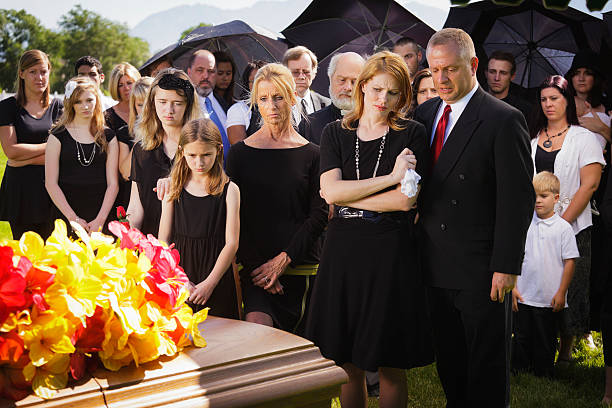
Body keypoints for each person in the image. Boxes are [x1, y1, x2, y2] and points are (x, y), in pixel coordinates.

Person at [413, 28, 535, 407]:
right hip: (433, 263)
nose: (442, 79)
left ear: (474, 65)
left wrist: (506, 266)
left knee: (486, 367)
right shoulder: (426, 112)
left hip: (482, 268)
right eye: (434, 71)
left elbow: (518, 199)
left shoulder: (503, 119)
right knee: (450, 362)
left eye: (450, 69)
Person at [306, 51, 433, 408]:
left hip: (390, 250)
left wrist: (348, 197)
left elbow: (405, 202)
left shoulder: (412, 133)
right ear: (362, 87)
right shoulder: (335, 132)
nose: (383, 100)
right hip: (343, 250)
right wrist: (391, 178)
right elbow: (330, 191)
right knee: (346, 361)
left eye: (393, 93)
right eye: (377, 89)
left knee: (390, 360)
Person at [225, 63, 327, 333]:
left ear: (293, 98)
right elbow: (234, 215)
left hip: (302, 266)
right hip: (255, 271)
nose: (271, 105)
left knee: (305, 356)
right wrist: (260, 266)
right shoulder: (239, 155)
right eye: (264, 98)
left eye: (279, 97)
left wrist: (283, 260)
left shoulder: (314, 154)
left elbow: (318, 215)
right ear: (255, 103)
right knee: (258, 336)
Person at [528, 74, 605, 364]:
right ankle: (538, 344)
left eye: (555, 98)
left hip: (573, 226)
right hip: (535, 224)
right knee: (540, 282)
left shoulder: (583, 137)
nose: (549, 104)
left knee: (571, 286)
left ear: (566, 101)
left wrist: (561, 223)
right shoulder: (533, 138)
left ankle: (567, 351)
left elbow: (590, 184)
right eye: (544, 99)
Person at [158, 118, 240, 319]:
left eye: (206, 155)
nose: (199, 162)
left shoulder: (230, 190)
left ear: (219, 150)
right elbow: (163, 240)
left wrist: (210, 283)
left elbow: (231, 243)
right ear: (181, 151)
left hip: (216, 275)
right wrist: (180, 279)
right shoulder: (173, 188)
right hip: (181, 276)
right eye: (192, 155)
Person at [511, 171, 579, 378]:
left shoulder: (563, 229)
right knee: (521, 335)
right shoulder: (525, 224)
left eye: (544, 196)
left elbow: (570, 262)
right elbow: (514, 256)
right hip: (524, 294)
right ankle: (519, 370)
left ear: (556, 198)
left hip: (548, 298)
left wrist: (561, 292)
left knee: (545, 336)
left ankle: (544, 372)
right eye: (535, 196)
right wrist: (513, 287)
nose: (538, 201)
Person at [566, 49, 612, 350]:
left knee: (595, 267)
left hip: (602, 192)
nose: (581, 77)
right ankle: (566, 337)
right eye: (577, 72)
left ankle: (588, 329)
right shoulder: (562, 105)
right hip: (568, 188)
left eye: (587, 72)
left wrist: (601, 128)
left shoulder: (606, 107)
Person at [127, 69, 202, 236]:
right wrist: (128, 235)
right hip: (150, 242)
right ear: (152, 103)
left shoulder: (200, 147)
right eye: (162, 102)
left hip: (190, 240)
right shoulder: (141, 149)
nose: (169, 110)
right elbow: (135, 207)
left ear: (188, 105)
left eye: (177, 103)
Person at [0, 49, 63, 240]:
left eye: (43, 72)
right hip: (20, 191)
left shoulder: (59, 107)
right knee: (25, 256)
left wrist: (23, 159)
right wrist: (51, 148)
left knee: (54, 255)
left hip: (52, 190)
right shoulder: (8, 107)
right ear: (21, 74)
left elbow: (65, 152)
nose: (39, 77)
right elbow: (11, 151)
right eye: (33, 72)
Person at [45, 77, 118, 234]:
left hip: (100, 214)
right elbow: (50, 183)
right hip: (66, 213)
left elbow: (113, 184)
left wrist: (100, 219)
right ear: (71, 103)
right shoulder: (57, 135)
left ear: (97, 100)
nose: (85, 106)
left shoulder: (109, 136)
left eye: (89, 100)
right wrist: (73, 218)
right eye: (78, 101)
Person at [298, 52, 365, 145]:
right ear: (330, 78)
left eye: (354, 82)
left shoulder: (376, 125)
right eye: (342, 80)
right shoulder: (309, 125)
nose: (348, 87)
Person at [115, 76, 154, 209]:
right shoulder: (125, 133)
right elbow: (125, 174)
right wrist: (140, 138)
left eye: (149, 103)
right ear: (134, 106)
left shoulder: (169, 132)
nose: (145, 110)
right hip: (134, 202)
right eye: (140, 105)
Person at [187, 50, 230, 163]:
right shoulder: (184, 107)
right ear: (189, 72)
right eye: (200, 70)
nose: (206, 76)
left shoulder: (225, 104)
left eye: (211, 71)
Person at [282, 46, 330, 124]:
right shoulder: (275, 106)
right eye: (295, 72)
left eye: (306, 72)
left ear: (314, 72)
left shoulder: (327, 104)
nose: (301, 77)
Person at [485, 50, 533, 123]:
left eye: (503, 73)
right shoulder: (473, 103)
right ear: (486, 74)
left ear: (512, 76)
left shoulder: (523, 110)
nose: (497, 78)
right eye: (492, 72)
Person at [226, 60, 267, 145]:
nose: (258, 85)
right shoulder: (238, 109)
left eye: (262, 80)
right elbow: (239, 149)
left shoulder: (281, 106)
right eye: (253, 81)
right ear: (247, 84)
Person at [104, 62, 141, 132]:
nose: (126, 88)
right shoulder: (106, 117)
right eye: (120, 85)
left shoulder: (147, 110)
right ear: (114, 87)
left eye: (129, 83)